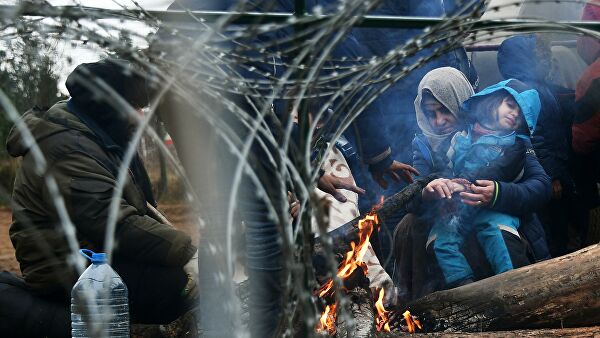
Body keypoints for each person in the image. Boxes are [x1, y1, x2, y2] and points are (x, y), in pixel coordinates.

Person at [2, 59, 198, 337]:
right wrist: (189, 254)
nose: (141, 117)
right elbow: (113, 221)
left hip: (98, 255)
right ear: (110, 107)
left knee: (180, 277)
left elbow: (139, 211)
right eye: (134, 107)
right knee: (179, 285)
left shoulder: (97, 139)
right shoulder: (66, 148)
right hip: (70, 269)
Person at [393, 67, 551, 302]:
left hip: (497, 224)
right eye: (431, 114)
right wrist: (428, 193)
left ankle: (515, 298)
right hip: (452, 223)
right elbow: (414, 192)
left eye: (445, 110)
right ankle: (435, 300)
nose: (438, 122)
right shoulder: (433, 144)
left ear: (459, 101)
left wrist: (498, 193)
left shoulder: (512, 140)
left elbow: (540, 186)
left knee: (497, 239)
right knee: (411, 227)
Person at [429, 79, 541, 288]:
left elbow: (499, 169)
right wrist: (440, 189)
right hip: (459, 207)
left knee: (496, 231)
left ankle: (516, 288)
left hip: (493, 206)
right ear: (492, 102)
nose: (514, 113)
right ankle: (464, 289)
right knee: (440, 240)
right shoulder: (458, 138)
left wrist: (464, 184)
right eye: (510, 104)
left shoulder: (515, 145)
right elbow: (440, 169)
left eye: (520, 113)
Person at [497, 34, 583, 256]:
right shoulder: (526, 93)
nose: (544, 61)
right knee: (552, 228)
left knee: (558, 225)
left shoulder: (539, 87)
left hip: (552, 170)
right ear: (524, 59)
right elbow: (536, 137)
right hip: (545, 175)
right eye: (538, 57)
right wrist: (552, 175)